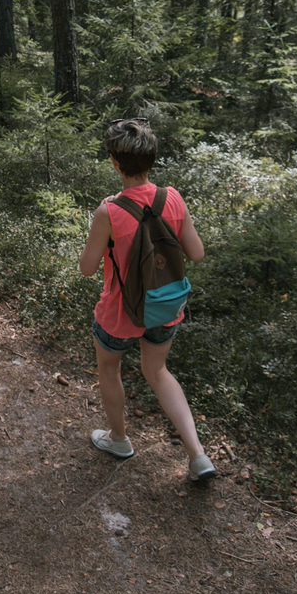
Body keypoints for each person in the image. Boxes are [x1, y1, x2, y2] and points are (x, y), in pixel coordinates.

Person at [77, 118, 217, 483]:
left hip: (119, 314)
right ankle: (197, 454)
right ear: (152, 159)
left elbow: (87, 269)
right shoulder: (173, 198)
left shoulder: (109, 211)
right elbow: (197, 254)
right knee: (157, 371)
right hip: (166, 308)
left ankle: (119, 439)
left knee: (110, 369)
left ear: (114, 161)